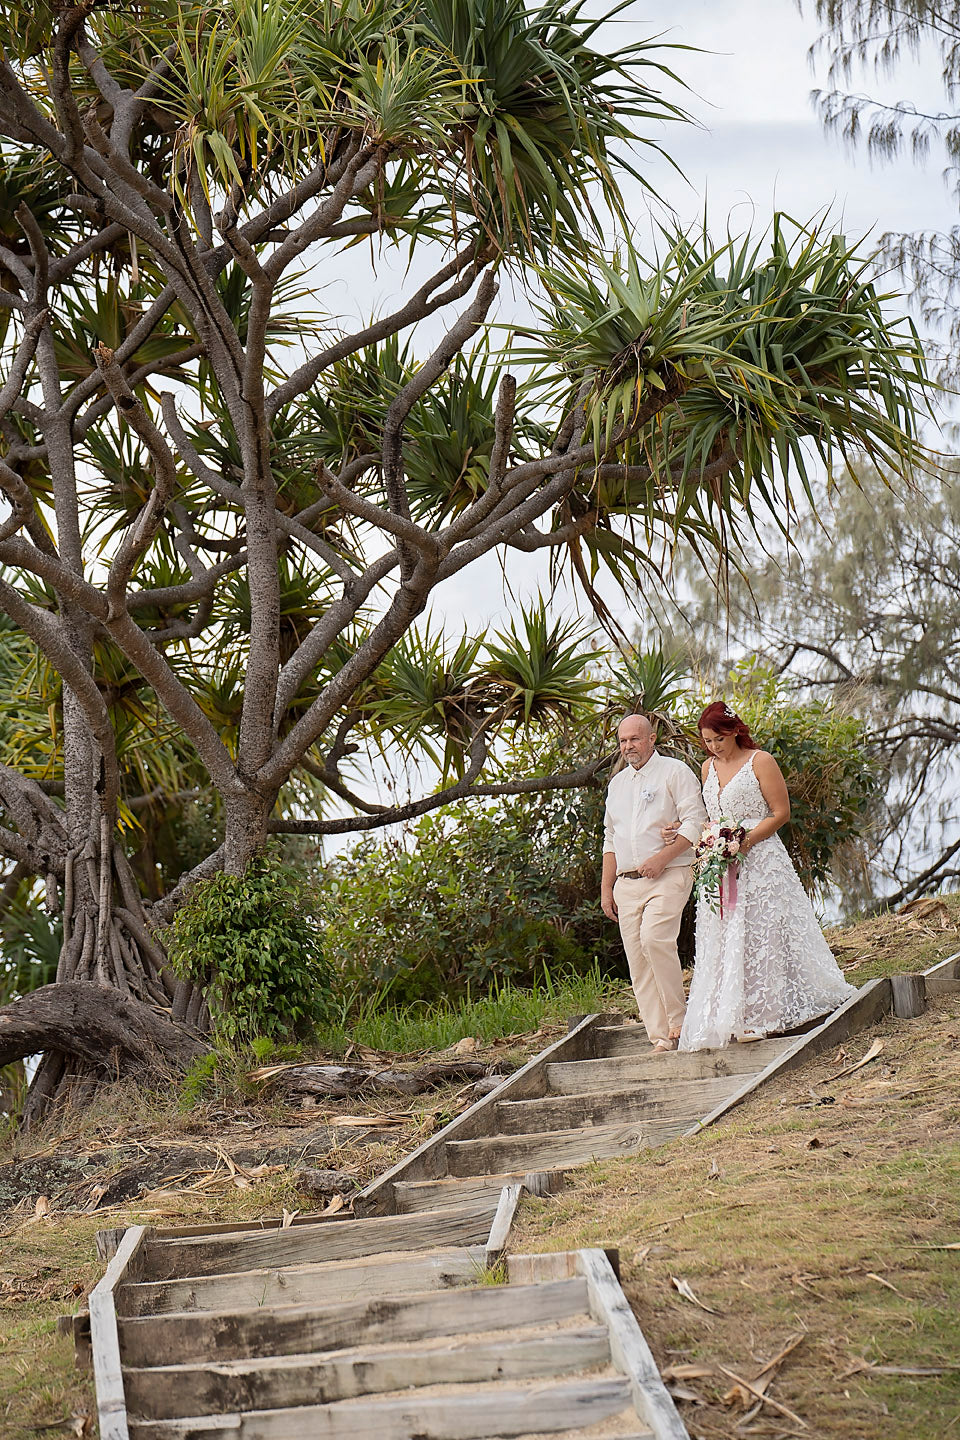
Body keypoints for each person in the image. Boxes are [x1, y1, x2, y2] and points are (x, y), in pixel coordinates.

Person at [678, 701, 855, 1051]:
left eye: (719, 739)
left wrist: (743, 841)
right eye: (707, 741)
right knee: (727, 934)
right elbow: (711, 818)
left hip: (760, 861)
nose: (713, 747)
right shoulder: (706, 769)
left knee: (762, 933)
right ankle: (731, 1015)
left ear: (734, 732)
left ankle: (765, 1016)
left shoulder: (761, 761)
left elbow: (781, 812)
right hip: (721, 865)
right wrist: (711, 841)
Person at [601, 713, 708, 1051]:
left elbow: (696, 820)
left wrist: (663, 858)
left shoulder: (675, 772)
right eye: (622, 741)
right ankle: (660, 1037)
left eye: (634, 738)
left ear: (651, 738)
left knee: (654, 938)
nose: (628, 746)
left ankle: (679, 1020)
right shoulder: (616, 784)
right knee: (637, 958)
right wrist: (606, 888)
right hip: (626, 883)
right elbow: (610, 838)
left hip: (671, 873)